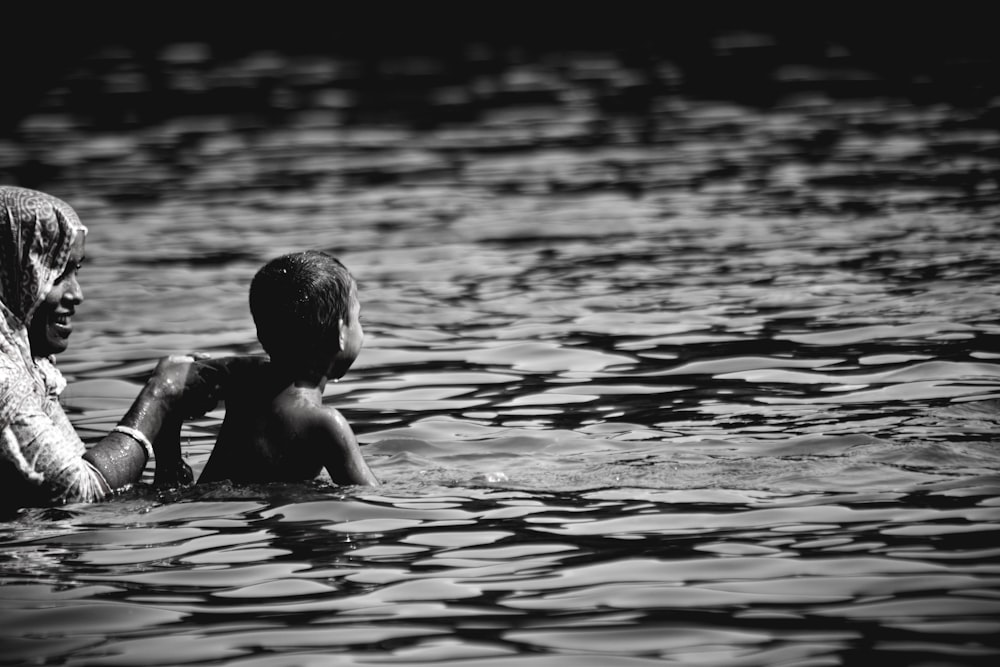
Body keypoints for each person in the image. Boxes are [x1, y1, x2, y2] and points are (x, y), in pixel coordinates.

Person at [0, 185, 207, 511]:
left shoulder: (28, 365)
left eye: (76, 270)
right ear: (12, 276)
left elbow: (77, 469)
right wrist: (159, 397)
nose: (76, 294)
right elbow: (81, 492)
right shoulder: (4, 378)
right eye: (56, 274)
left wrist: (166, 425)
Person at [195, 250, 378, 487]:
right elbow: (368, 496)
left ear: (261, 335)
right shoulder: (325, 423)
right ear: (341, 333)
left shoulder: (244, 386)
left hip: (220, 512)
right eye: (358, 319)